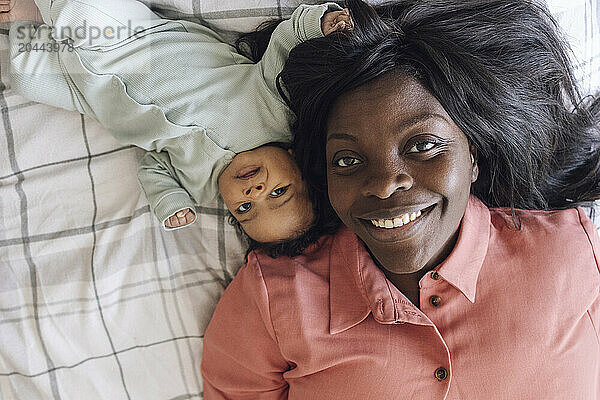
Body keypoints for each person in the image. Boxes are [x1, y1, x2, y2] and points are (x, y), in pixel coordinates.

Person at [201, 0, 600, 398]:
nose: (385, 184)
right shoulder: (271, 301)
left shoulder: (572, 251)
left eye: (423, 145)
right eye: (347, 159)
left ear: (473, 154)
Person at [7, 0, 352, 246]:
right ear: (297, 163)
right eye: (279, 192)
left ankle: (34, 17)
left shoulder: (199, 183)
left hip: (92, 94)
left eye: (245, 208)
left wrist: (170, 200)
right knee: (81, 12)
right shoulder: (273, 109)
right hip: (138, 41)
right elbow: (283, 44)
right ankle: (46, 11)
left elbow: (153, 168)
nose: (255, 192)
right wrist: (317, 25)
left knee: (26, 76)